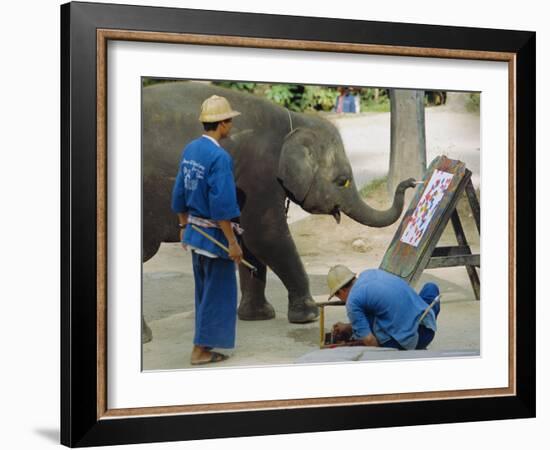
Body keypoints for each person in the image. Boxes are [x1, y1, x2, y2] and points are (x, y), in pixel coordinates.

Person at [171, 95, 243, 365]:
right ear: (222, 124)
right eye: (230, 122)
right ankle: (200, 350)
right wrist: (232, 243)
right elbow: (222, 205)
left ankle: (201, 345)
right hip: (214, 239)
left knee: (203, 292)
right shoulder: (219, 157)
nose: (231, 126)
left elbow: (179, 191)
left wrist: (182, 224)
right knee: (219, 295)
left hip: (194, 234)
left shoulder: (190, 149)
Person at [327, 265, 440, 350]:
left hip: (414, 339)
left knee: (367, 333)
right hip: (427, 324)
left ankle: (412, 345)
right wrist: (349, 327)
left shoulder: (352, 302)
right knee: (430, 288)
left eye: (338, 296)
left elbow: (369, 340)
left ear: (340, 291)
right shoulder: (369, 273)